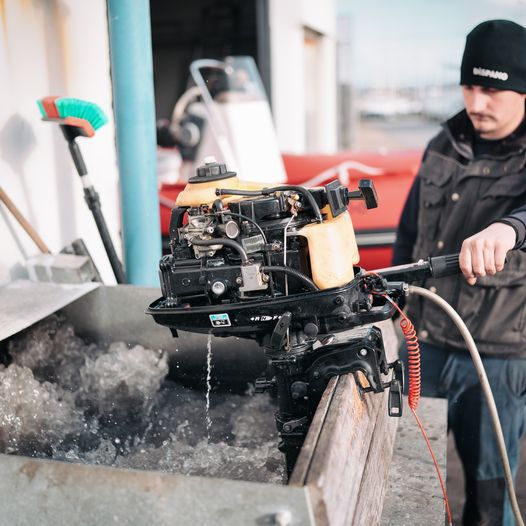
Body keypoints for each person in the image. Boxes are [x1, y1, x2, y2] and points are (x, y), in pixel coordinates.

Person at [393, 19, 526, 526]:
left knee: (490, 499)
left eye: (492, 89)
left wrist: (510, 229)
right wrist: (393, 310)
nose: (477, 103)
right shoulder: (441, 144)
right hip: (421, 342)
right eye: (469, 87)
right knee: (403, 478)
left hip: (495, 359)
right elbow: (409, 234)